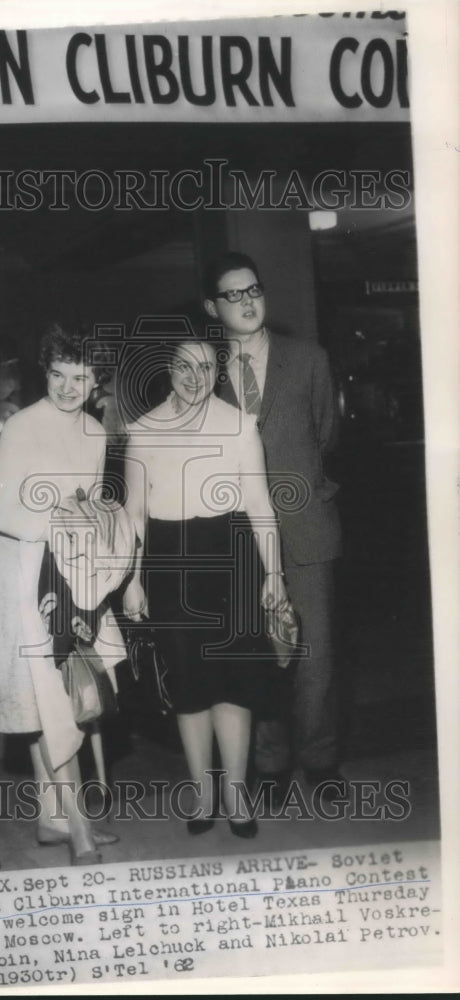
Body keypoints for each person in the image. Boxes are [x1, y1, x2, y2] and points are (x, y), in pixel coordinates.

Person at [123, 336, 288, 837]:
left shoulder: (239, 425)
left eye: (205, 368)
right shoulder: (143, 429)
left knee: (234, 683)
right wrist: (132, 580)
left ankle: (236, 791)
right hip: (169, 562)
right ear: (167, 368)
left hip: (231, 559)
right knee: (189, 684)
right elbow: (133, 514)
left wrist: (274, 575)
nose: (193, 378)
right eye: (182, 366)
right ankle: (203, 791)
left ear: (218, 373)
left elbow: (261, 508)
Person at [203, 250, 344, 803]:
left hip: (307, 527)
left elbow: (327, 436)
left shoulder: (309, 360)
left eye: (253, 290)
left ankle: (322, 759)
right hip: (239, 536)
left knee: (317, 655)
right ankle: (270, 763)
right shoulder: (204, 374)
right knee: (256, 652)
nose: (247, 301)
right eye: (233, 295)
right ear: (212, 308)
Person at [0, 322, 127, 866]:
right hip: (22, 572)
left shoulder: (95, 433)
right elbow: (2, 514)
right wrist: (64, 520)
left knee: (75, 688)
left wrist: (90, 544)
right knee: (51, 696)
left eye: (81, 376)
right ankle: (79, 826)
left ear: (96, 380)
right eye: (58, 374)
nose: (69, 387)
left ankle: (51, 817)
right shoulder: (21, 427)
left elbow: (92, 508)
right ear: (44, 372)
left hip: (73, 570)